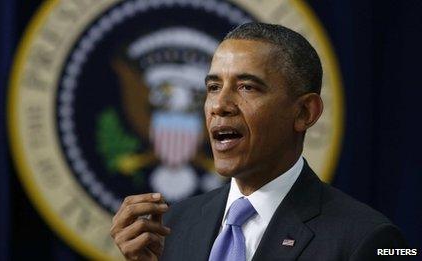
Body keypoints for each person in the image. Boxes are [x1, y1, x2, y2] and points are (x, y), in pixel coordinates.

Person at [110, 22, 407, 261]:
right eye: (213, 87)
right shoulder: (175, 224)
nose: (219, 104)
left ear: (304, 112)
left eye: (247, 87)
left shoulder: (367, 240)